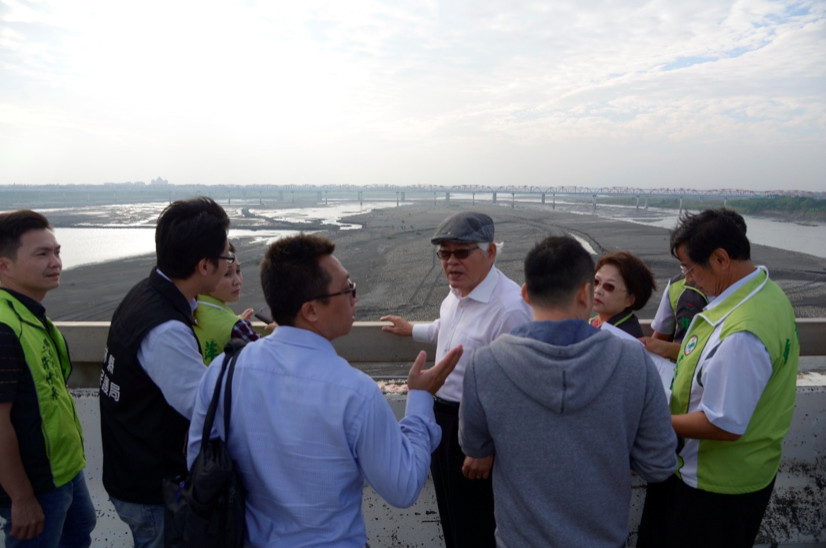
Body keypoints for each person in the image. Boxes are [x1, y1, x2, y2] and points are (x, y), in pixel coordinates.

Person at [187, 233, 463, 546]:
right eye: (348, 289)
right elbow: (402, 486)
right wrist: (420, 398)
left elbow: (197, 460)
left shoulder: (223, 372)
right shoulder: (353, 392)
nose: (354, 298)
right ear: (311, 310)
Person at [458, 235, 677, 546]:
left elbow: (475, 447)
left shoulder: (486, 364)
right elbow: (658, 465)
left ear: (525, 294)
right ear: (586, 294)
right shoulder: (634, 362)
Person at [636, 208, 800, 548]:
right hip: (743, 472)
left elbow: (723, 424)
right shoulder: (766, 294)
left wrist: (657, 420)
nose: (687, 280)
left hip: (717, 486)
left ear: (721, 258)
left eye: (689, 268)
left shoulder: (744, 333)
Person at [380, 211, 531, 548]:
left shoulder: (509, 308)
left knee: (476, 525)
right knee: (451, 516)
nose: (451, 262)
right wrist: (410, 330)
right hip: (442, 420)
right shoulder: (458, 293)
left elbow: (517, 390)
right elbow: (446, 327)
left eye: (462, 252)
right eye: (444, 254)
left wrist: (487, 446)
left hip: (477, 429)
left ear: (490, 252)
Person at [99, 197, 231, 548]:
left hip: (131, 471)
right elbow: (201, 406)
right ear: (204, 266)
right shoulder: (165, 329)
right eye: (227, 258)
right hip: (151, 490)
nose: (230, 265)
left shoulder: (147, 293)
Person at [0, 209, 96, 547]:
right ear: (4, 265)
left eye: (56, 252)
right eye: (41, 254)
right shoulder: (3, 326)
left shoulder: (27, 313)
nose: (55, 262)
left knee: (80, 529)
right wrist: (22, 497)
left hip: (63, 471)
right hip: (35, 484)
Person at [194, 242, 259, 365]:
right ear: (204, 270)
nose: (237, 281)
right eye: (227, 274)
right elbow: (268, 359)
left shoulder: (189, 306)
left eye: (238, 271)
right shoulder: (236, 327)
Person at [589, 250, 656, 338]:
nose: (598, 290)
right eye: (596, 282)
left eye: (609, 287)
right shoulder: (597, 322)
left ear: (630, 300)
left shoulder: (623, 337)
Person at [641, 274, 707, 362]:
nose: (687, 277)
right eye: (684, 266)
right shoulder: (676, 286)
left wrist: (669, 350)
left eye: (690, 267)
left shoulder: (728, 297)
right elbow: (660, 337)